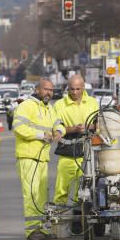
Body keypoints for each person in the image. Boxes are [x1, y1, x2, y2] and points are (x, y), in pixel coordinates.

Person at [12, 78, 65, 240]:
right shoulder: (26, 106)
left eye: (51, 90)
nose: (49, 93)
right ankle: (33, 230)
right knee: (31, 195)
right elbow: (18, 127)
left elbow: (59, 123)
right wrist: (41, 135)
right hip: (28, 156)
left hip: (42, 158)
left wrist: (59, 131)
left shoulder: (49, 108)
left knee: (41, 195)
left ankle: (41, 228)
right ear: (37, 90)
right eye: (46, 89)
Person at [51, 74, 99, 206]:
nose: (74, 92)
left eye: (78, 89)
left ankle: (80, 222)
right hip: (67, 154)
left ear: (83, 88)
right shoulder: (60, 105)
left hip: (86, 154)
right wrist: (74, 129)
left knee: (84, 192)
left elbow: (99, 124)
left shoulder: (93, 103)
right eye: (71, 89)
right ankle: (60, 222)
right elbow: (56, 125)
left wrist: (89, 127)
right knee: (61, 191)